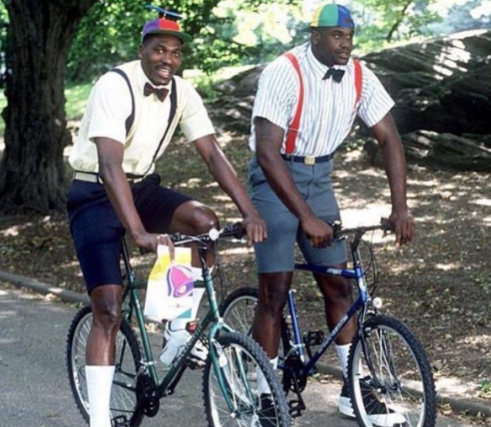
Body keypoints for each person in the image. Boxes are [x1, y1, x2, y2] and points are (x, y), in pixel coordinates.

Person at [66, 11, 267, 427]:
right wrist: (139, 232)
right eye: (159, 50)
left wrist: (249, 211)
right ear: (142, 50)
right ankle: (100, 419)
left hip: (142, 187)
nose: (167, 59)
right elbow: (109, 165)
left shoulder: (183, 92)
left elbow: (212, 153)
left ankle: (178, 331)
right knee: (109, 310)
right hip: (94, 193)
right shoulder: (114, 85)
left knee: (204, 223)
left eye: (175, 53)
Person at [248, 3, 414, 425]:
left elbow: (390, 139)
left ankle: (354, 392)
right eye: (337, 35)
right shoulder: (283, 71)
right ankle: (264, 395)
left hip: (320, 178)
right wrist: (305, 217)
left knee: (339, 286)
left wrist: (400, 206)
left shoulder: (360, 76)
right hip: (274, 178)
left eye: (350, 36)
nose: (346, 44)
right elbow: (266, 152)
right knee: (275, 290)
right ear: (315, 36)